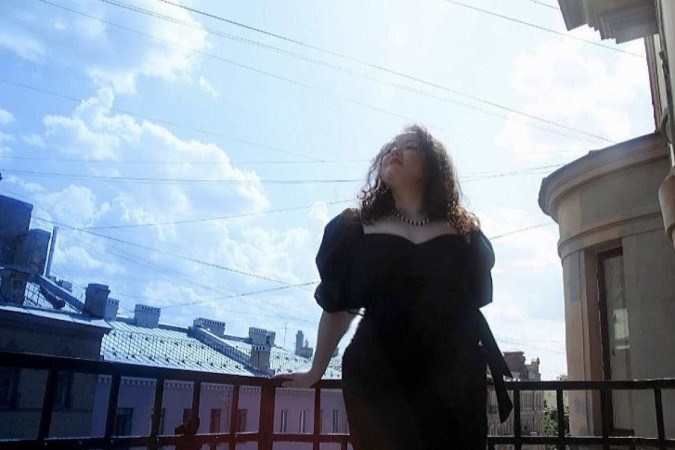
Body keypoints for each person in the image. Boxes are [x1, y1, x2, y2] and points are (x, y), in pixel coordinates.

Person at [277, 124, 512, 449]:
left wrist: (469, 368)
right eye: (391, 147)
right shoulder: (356, 228)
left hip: (453, 382)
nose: (394, 151)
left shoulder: (465, 234)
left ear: (432, 165)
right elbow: (339, 308)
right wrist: (315, 371)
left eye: (409, 146)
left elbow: (466, 306)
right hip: (378, 380)